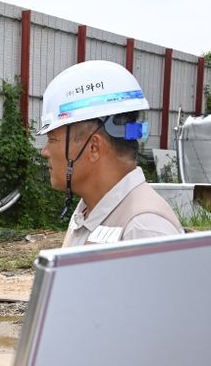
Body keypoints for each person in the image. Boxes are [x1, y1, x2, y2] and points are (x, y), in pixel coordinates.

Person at [38, 60, 183, 247]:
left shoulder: (143, 230)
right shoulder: (89, 209)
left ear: (94, 147)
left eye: (52, 139)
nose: (45, 151)